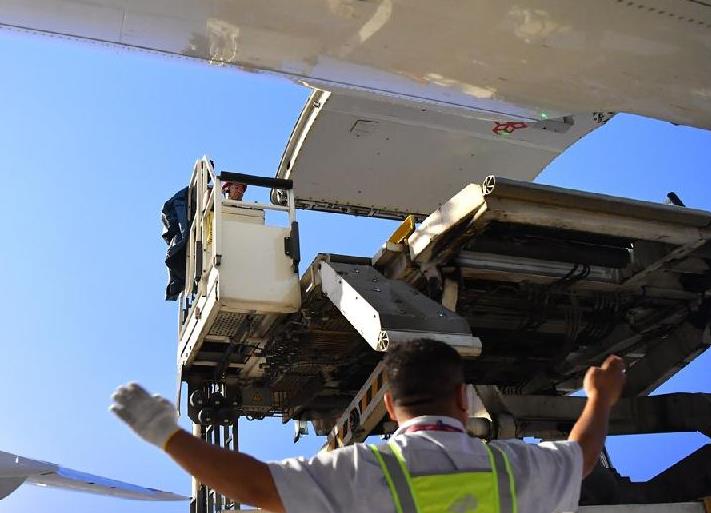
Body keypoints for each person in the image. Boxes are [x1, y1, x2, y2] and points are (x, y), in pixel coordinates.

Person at [110, 339, 625, 513]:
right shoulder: (514, 470)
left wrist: (166, 434)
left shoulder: (362, 470)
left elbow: (257, 486)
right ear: (462, 400)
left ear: (392, 408)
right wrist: (600, 397)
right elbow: (581, 456)